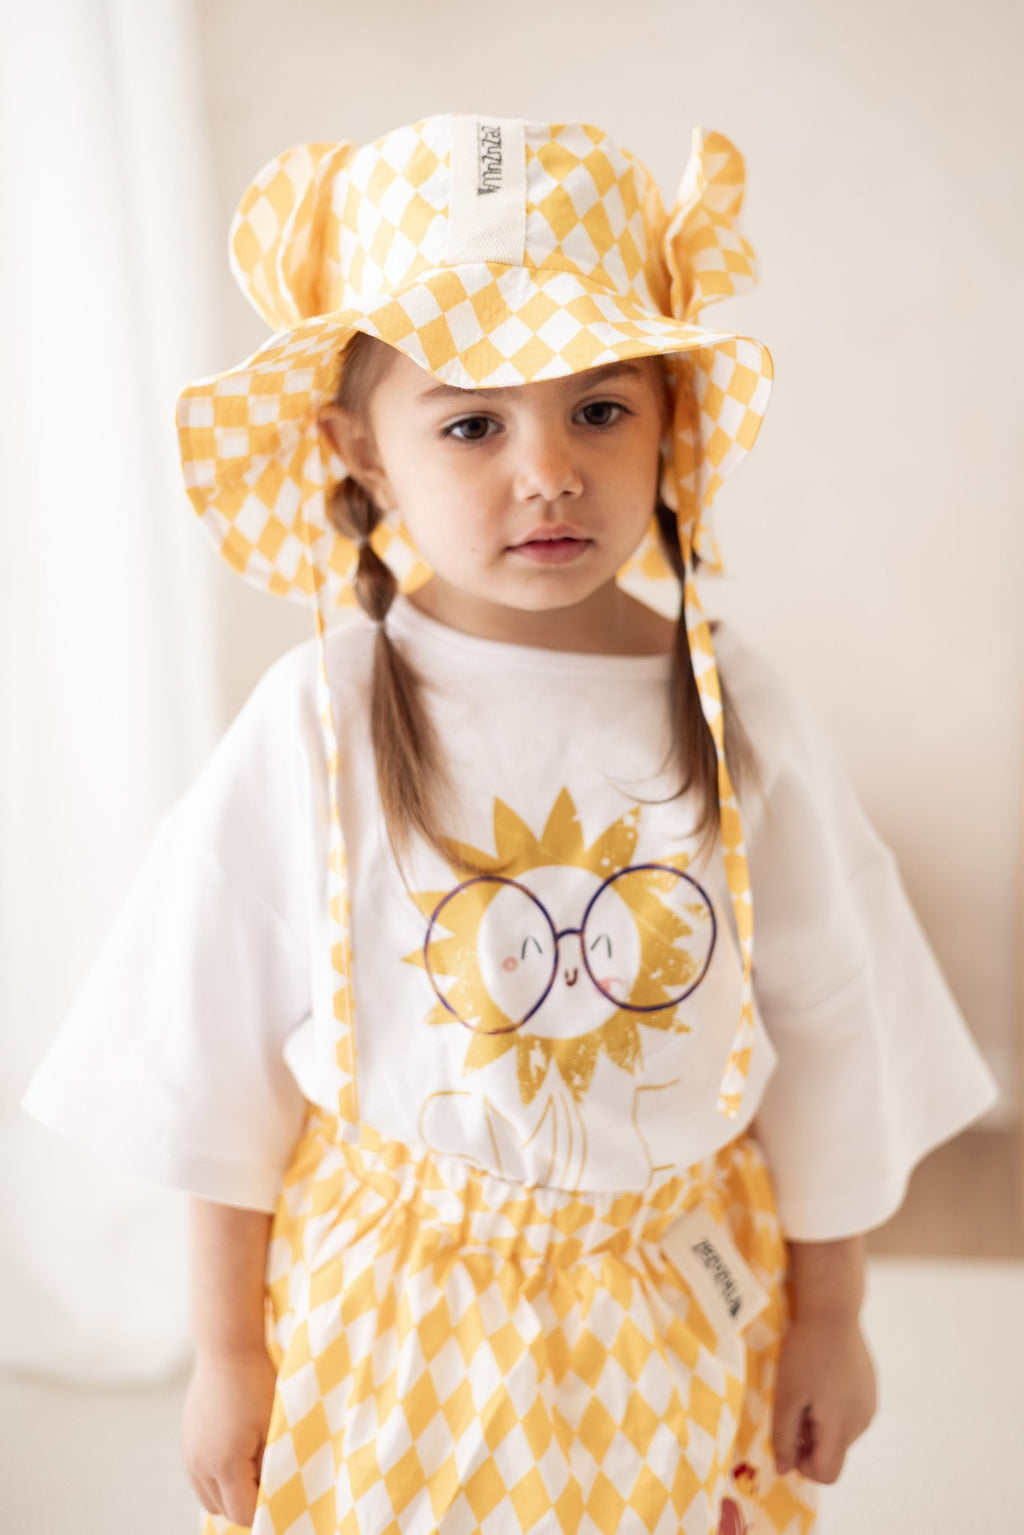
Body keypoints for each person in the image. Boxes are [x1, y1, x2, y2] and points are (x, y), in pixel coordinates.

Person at [22, 113, 998, 1535]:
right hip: (391, 1323)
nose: (548, 471)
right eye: (473, 422)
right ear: (358, 449)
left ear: (670, 416)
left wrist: (832, 1312)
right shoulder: (320, 717)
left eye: (599, 409)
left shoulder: (734, 713)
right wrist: (231, 1353)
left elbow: (835, 1020)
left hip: (671, 1297)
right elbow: (214, 1063)